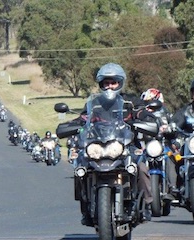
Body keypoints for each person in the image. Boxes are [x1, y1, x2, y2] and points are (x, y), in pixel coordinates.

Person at [58, 63, 153, 225]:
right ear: (101, 84)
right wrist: (70, 126)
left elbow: (142, 113)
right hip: (98, 147)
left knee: (141, 168)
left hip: (125, 147)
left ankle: (146, 206)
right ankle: (85, 207)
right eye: (106, 83)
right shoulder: (95, 104)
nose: (110, 86)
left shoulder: (131, 102)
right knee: (80, 168)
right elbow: (83, 119)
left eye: (113, 82)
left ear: (120, 83)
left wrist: (148, 120)